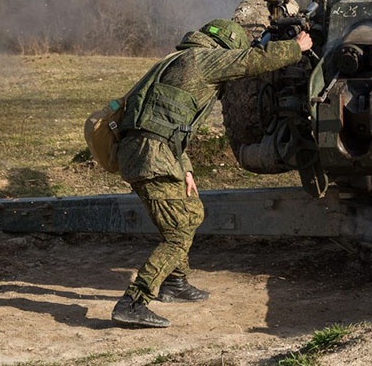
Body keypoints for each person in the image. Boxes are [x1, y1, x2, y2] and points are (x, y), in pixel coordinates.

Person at [111, 16, 312, 329]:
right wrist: (296, 48)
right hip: (152, 156)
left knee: (191, 214)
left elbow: (165, 117)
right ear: (225, 47)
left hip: (152, 152)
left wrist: (185, 167)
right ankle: (134, 301)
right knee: (177, 234)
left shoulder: (176, 60)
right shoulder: (204, 60)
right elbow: (252, 61)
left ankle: (175, 284)